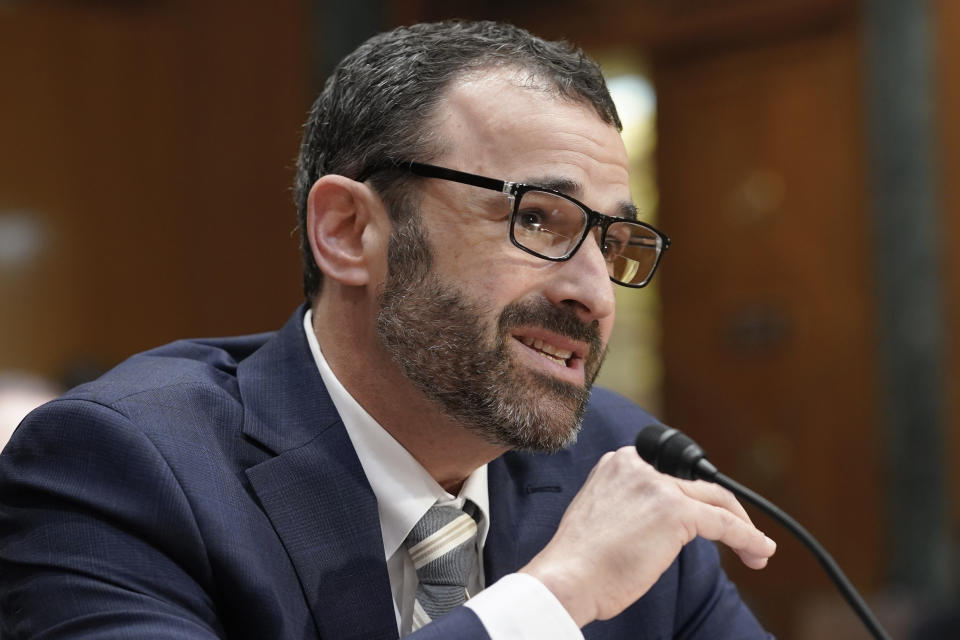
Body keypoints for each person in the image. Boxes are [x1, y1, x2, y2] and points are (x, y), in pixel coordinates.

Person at [0, 21, 776, 639]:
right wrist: (555, 596)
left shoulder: (617, 460)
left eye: (611, 244)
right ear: (346, 232)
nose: (594, 292)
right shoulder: (122, 467)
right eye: (539, 219)